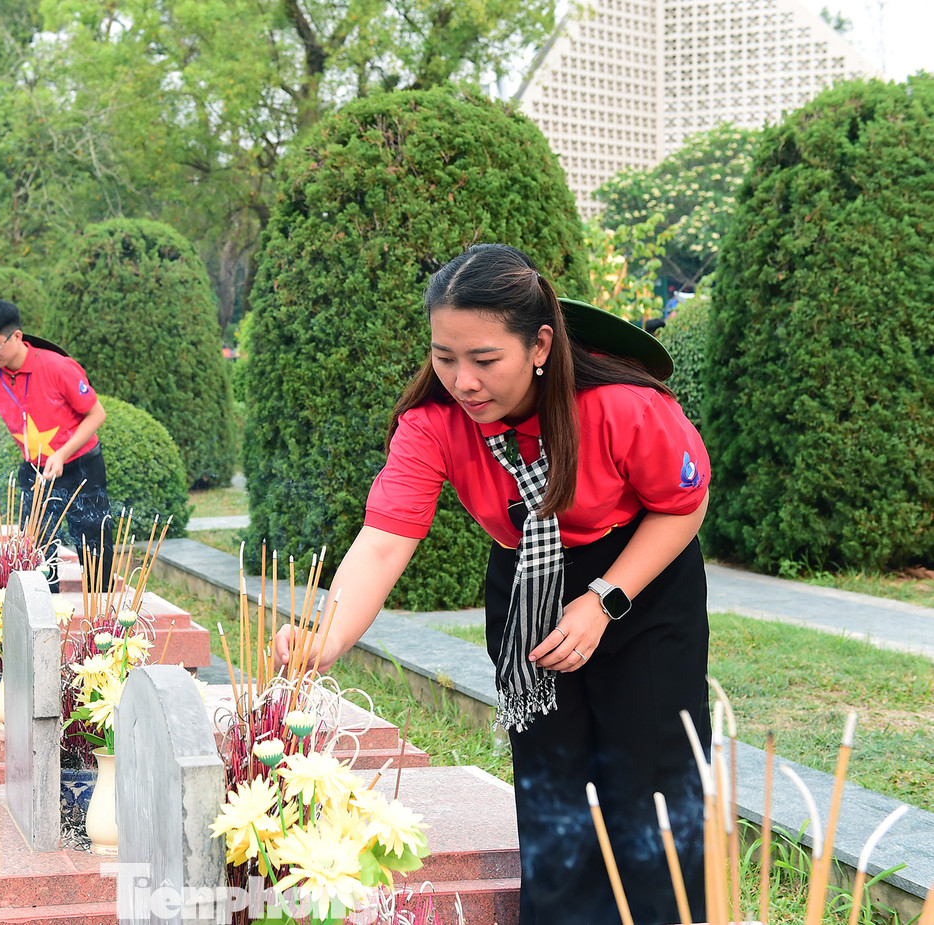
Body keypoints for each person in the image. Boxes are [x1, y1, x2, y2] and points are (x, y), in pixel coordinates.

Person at [273, 244, 711, 925]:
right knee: (553, 781)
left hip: (641, 584)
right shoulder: (432, 425)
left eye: (484, 360)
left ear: (539, 344)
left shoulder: (621, 405)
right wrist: (325, 639)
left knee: (652, 779)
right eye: (444, 358)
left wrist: (604, 600)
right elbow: (386, 541)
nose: (462, 381)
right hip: (529, 581)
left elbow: (682, 506)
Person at [0, 300, 114, 591]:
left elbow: (96, 414)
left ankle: (102, 621)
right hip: (36, 471)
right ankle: (44, 620)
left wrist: (63, 453)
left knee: (94, 545)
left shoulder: (57, 366)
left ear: (16, 336)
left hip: (81, 465)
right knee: (38, 556)